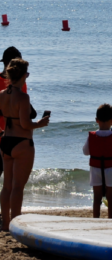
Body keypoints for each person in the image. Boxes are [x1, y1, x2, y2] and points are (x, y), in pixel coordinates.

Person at [0, 58, 49, 231]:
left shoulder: (1, 95)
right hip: (22, 142)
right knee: (18, 187)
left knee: (7, 186)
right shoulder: (23, 97)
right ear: (23, 76)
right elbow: (26, 124)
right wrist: (40, 124)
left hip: (5, 141)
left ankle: (5, 223)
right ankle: (15, 224)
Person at [82, 104, 112, 218]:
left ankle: (96, 218)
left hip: (95, 168)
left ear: (97, 120)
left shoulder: (92, 136)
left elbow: (85, 152)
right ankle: (111, 219)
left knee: (97, 197)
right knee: (111, 196)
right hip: (111, 168)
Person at [0, 47, 28, 176]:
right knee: (11, 182)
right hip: (12, 138)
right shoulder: (21, 84)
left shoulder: (22, 83)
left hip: (9, 137)